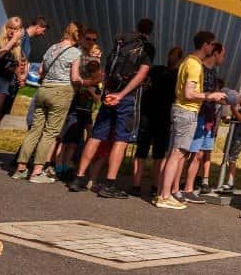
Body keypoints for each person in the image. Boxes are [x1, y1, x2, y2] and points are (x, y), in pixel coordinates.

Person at [71, 17, 154, 197]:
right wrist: (122, 95)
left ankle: (79, 177)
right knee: (120, 140)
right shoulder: (146, 48)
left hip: (110, 93)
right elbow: (141, 75)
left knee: (96, 135)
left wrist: (108, 92)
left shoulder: (121, 42)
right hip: (127, 97)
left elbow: (107, 69)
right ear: (149, 31)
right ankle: (109, 183)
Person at [154, 30, 224, 210]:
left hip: (180, 109)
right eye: (211, 44)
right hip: (187, 111)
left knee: (174, 153)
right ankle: (164, 196)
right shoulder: (194, 65)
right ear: (205, 45)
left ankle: (163, 192)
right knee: (178, 153)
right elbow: (189, 93)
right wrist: (210, 95)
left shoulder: (187, 60)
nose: (212, 48)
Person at [13, 21, 86, 182]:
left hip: (43, 90)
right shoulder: (75, 53)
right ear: (78, 35)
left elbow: (40, 71)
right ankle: (37, 172)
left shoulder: (52, 48)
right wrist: (82, 81)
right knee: (50, 132)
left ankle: (21, 169)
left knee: (35, 131)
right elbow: (74, 77)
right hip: (61, 92)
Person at [130, 46, 181, 197]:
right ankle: (146, 185)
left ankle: (145, 185)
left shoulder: (163, 72)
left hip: (156, 115)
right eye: (173, 55)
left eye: (173, 55)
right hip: (157, 116)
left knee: (150, 152)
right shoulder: (168, 73)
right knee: (150, 153)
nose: (172, 58)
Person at [180, 41, 225, 202]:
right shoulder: (201, 69)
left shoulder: (213, 72)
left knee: (198, 154)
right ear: (215, 53)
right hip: (198, 115)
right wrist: (211, 96)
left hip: (208, 118)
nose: (223, 58)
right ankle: (181, 187)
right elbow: (195, 93)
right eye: (222, 54)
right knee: (186, 152)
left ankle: (189, 188)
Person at [54, 43, 102, 181]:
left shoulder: (93, 84)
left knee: (73, 144)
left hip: (85, 113)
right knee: (64, 141)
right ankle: (59, 168)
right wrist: (88, 87)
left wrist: (91, 89)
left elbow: (97, 99)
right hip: (75, 112)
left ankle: (66, 166)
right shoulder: (81, 82)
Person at [0, 17, 46, 129]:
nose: (13, 32)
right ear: (37, 27)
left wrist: (22, 76)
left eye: (16, 29)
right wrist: (20, 75)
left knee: (2, 115)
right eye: (43, 30)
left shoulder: (23, 41)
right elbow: (4, 56)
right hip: (2, 82)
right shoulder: (17, 38)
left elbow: (22, 61)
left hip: (10, 84)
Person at [219, 87, 241, 193]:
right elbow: (235, 119)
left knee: (232, 159)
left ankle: (230, 182)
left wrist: (233, 108)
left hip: (240, 137)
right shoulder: (239, 107)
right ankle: (224, 179)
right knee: (227, 156)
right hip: (233, 135)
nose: (240, 100)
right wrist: (226, 118)